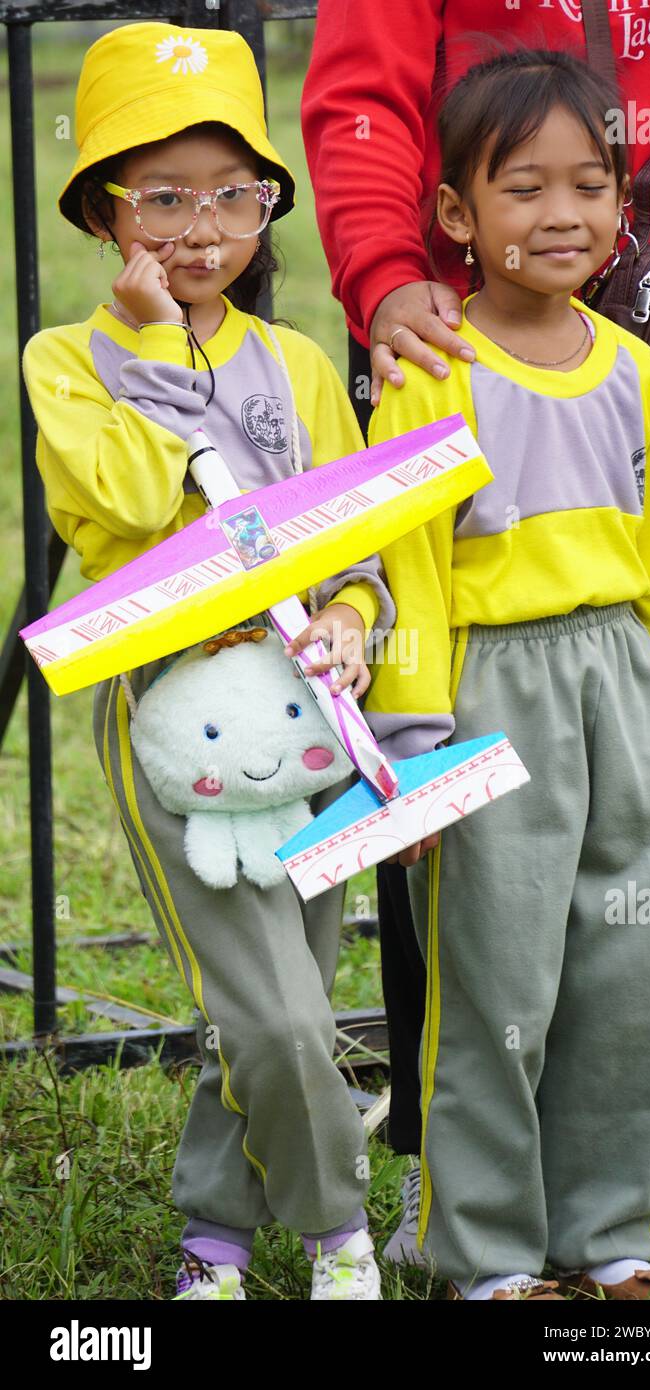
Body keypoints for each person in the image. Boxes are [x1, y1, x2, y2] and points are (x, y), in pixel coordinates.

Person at [302, 0, 650, 1257]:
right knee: (492, 965)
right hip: (489, 685)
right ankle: (477, 1234)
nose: (557, 213)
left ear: (616, 202)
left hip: (625, 690)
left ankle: (613, 1221)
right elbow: (410, 569)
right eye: (523, 189)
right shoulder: (430, 375)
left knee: (626, 960)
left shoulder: (629, 372)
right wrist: (416, 728)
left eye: (585, 186)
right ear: (458, 217)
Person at [21, 20, 391, 1302]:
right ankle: (341, 1227)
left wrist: (351, 615)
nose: (200, 226)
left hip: (310, 712)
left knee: (277, 998)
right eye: (161, 197)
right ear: (99, 210)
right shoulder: (65, 362)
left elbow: (352, 533)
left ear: (266, 204)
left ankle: (215, 1242)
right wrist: (148, 353)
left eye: (234, 194)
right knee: (283, 1021)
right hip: (180, 718)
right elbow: (121, 510)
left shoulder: (293, 360)